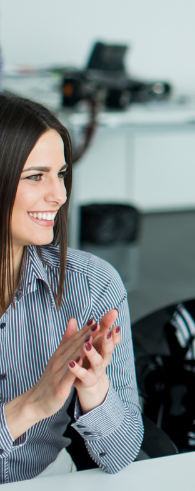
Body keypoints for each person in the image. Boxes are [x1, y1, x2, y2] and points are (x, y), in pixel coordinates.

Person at [0, 93, 142, 480]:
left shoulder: (92, 285)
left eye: (61, 174)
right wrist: (29, 406)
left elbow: (122, 454)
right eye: (36, 176)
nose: (59, 195)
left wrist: (94, 392)